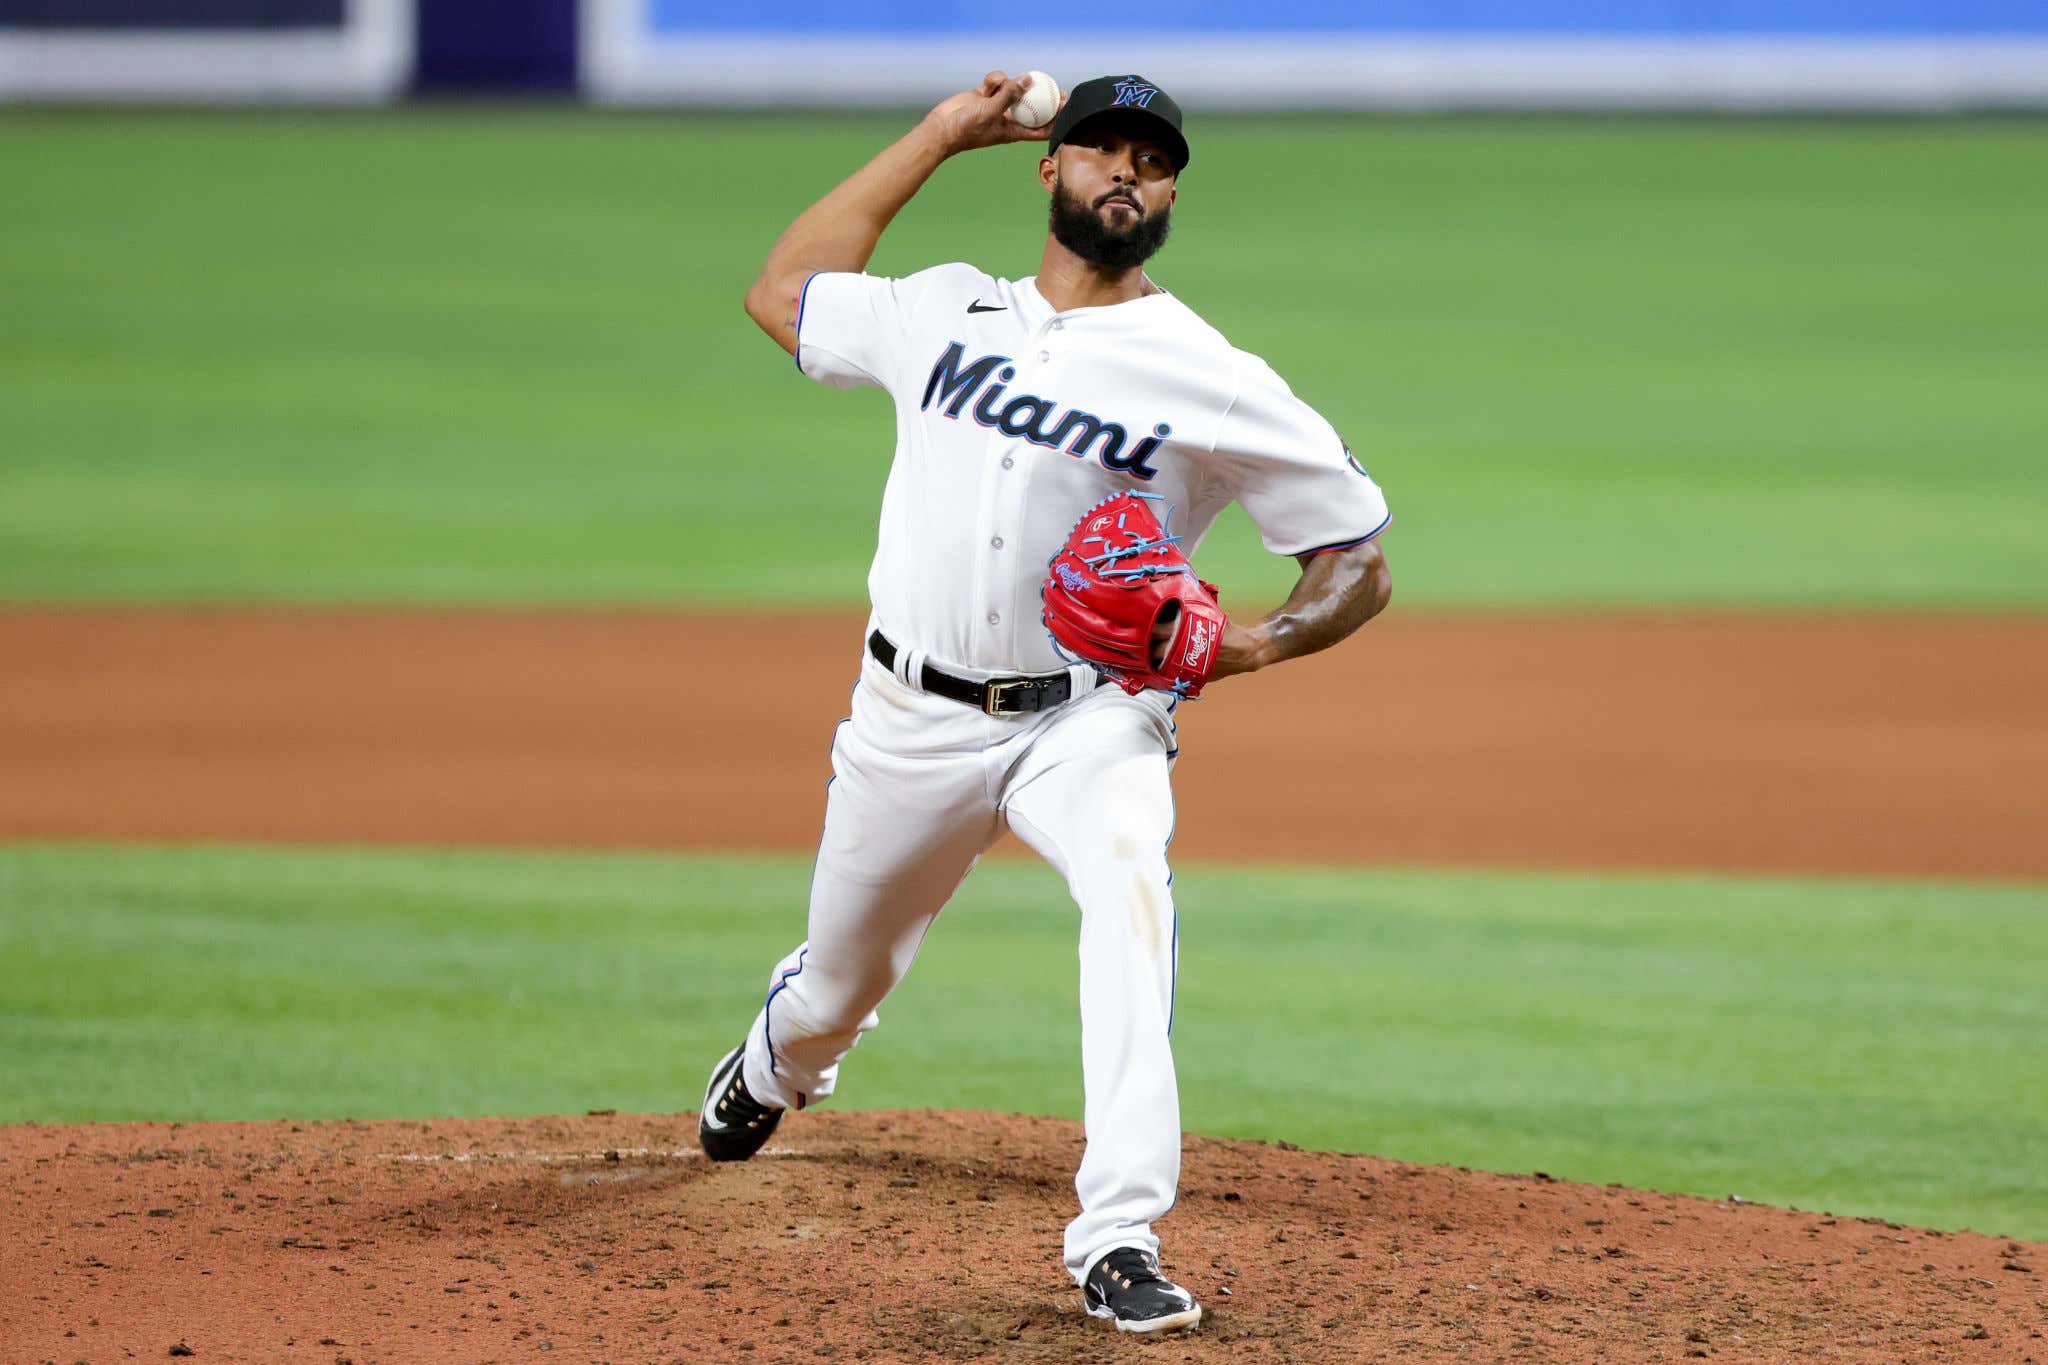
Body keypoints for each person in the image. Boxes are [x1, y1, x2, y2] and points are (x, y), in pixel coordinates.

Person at [700, 70, 1393, 1334]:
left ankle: (1117, 1231)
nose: (1125, 172)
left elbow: (1355, 558)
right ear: (1049, 168)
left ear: (1172, 190)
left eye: (1152, 158)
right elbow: (780, 294)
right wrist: (942, 131)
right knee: (834, 988)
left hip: (1089, 718)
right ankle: (778, 1059)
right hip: (907, 715)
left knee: (1130, 879)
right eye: (1099, 150)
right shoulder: (941, 309)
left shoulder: (1209, 372)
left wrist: (1242, 649)